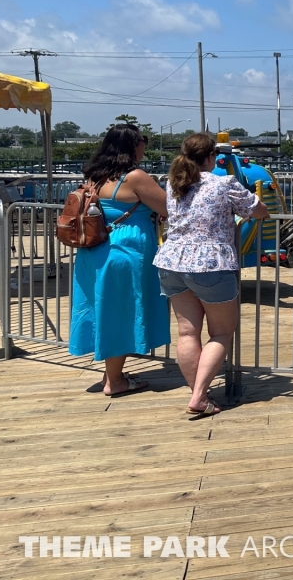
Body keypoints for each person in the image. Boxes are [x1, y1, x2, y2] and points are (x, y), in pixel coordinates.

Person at [153, 134, 269, 416]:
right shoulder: (224, 184)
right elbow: (259, 211)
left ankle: (199, 393)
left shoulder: (173, 184)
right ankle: (199, 395)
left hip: (172, 261)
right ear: (211, 158)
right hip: (211, 264)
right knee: (221, 332)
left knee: (187, 332)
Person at [69, 124, 170, 396]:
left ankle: (112, 374)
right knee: (121, 313)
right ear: (133, 145)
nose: (144, 145)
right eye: (142, 140)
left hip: (95, 249)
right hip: (125, 251)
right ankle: (115, 381)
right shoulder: (135, 177)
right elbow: (168, 207)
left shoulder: (95, 176)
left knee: (104, 309)